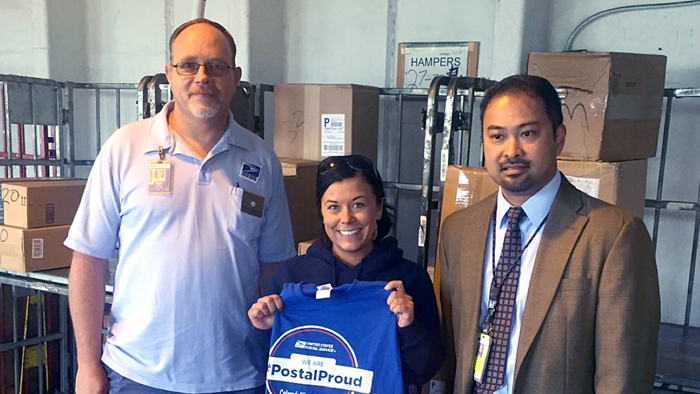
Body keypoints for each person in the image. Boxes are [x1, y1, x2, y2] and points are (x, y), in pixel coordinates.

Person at [65, 18, 296, 394]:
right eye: (189, 65)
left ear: (235, 77)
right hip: (137, 374)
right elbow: (88, 261)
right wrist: (87, 366)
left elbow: (274, 270)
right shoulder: (124, 148)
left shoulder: (262, 160)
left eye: (216, 66)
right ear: (170, 73)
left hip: (237, 377)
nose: (202, 76)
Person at [439, 75, 660, 393]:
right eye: (497, 136)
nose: (511, 150)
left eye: (527, 133)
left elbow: (624, 375)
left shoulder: (613, 236)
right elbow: (451, 349)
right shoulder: (459, 231)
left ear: (558, 138)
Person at [246, 155, 445, 391]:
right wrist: (263, 329)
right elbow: (265, 365)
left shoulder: (408, 279)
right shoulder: (291, 277)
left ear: (378, 207)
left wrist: (408, 326)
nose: (346, 218)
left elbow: (425, 369)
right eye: (333, 207)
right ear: (321, 212)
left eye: (358, 204)